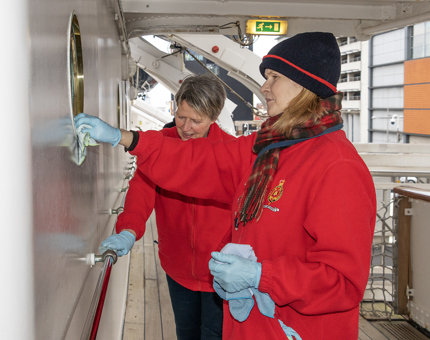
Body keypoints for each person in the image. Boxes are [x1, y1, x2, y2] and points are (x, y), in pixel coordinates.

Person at [75, 32, 376, 340]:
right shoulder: (270, 149)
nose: (264, 86)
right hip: (253, 324)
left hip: (293, 329)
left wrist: (262, 276)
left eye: (274, 77)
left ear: (304, 85)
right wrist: (125, 138)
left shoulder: (337, 168)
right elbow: (198, 162)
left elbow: (342, 281)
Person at [82, 73, 235, 340]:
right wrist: (129, 229)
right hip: (177, 269)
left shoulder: (232, 152)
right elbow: (141, 190)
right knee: (186, 333)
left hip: (221, 272)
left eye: (196, 121)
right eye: (181, 117)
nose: (185, 127)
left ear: (214, 116)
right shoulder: (159, 145)